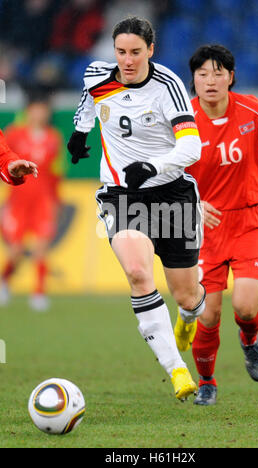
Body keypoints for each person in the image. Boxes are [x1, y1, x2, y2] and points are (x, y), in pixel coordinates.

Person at [67, 16, 206, 400]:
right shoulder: (97, 75)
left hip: (171, 193)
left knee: (187, 297)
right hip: (121, 194)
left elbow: (192, 147)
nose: (127, 60)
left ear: (151, 51)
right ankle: (177, 370)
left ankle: (188, 318)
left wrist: (153, 167)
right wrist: (79, 132)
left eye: (135, 52)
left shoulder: (169, 86)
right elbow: (89, 104)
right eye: (121, 52)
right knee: (137, 273)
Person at [174, 44, 258, 406]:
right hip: (205, 229)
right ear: (193, 80)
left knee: (244, 306)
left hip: (251, 219)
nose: (210, 80)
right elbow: (166, 175)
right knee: (208, 314)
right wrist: (193, 203)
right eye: (202, 74)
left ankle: (249, 339)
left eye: (218, 72)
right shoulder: (182, 123)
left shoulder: (253, 109)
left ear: (231, 76)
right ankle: (208, 382)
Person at [0, 95, 63, 311]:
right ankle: (5, 281)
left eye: (43, 109)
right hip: (18, 200)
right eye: (35, 109)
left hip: (43, 200)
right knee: (16, 250)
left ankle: (39, 293)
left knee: (40, 248)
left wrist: (56, 200)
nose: (39, 114)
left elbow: (57, 172)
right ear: (28, 111)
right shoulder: (14, 133)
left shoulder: (54, 138)